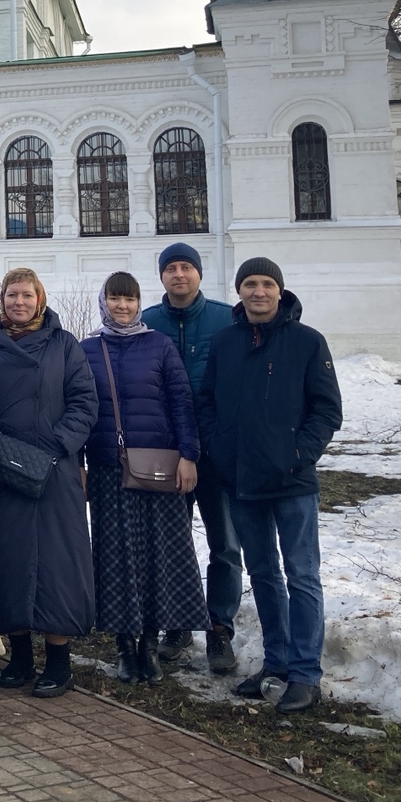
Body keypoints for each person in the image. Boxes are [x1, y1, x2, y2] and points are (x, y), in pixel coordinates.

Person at [198, 258, 342, 715]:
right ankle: (276, 663)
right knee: (262, 573)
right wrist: (222, 452)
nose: (258, 292)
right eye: (249, 284)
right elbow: (206, 404)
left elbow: (326, 410)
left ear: (280, 290)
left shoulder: (306, 342)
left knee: (301, 576)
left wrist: (299, 454)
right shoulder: (225, 343)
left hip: (293, 482)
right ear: (239, 291)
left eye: (266, 284)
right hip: (242, 482)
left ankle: (305, 674)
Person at [80, 272, 207, 684]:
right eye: (115, 298)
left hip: (159, 467)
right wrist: (78, 462)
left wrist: (189, 455)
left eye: (129, 299)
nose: (122, 306)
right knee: (115, 558)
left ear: (139, 303)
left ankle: (149, 644)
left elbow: (181, 401)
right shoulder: (87, 350)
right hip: (106, 469)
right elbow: (80, 410)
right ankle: (123, 646)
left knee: (158, 556)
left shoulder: (159, 345)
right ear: (105, 301)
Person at [0, 269, 97, 697]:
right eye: (12, 295)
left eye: (27, 295)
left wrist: (57, 445)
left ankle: (59, 663)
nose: (19, 302)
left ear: (40, 299)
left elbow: (85, 402)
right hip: (1, 470)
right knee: (7, 562)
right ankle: (20, 656)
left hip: (54, 471)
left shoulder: (64, 345)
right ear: (2, 299)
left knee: (56, 565)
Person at [142, 241, 241, 673]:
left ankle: (219, 629)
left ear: (199, 274)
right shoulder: (148, 323)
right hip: (167, 455)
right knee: (172, 544)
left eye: (186, 267)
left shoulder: (225, 319)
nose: (179, 275)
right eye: (171, 268)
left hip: (217, 456)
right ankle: (177, 624)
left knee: (225, 546)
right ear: (161, 276)